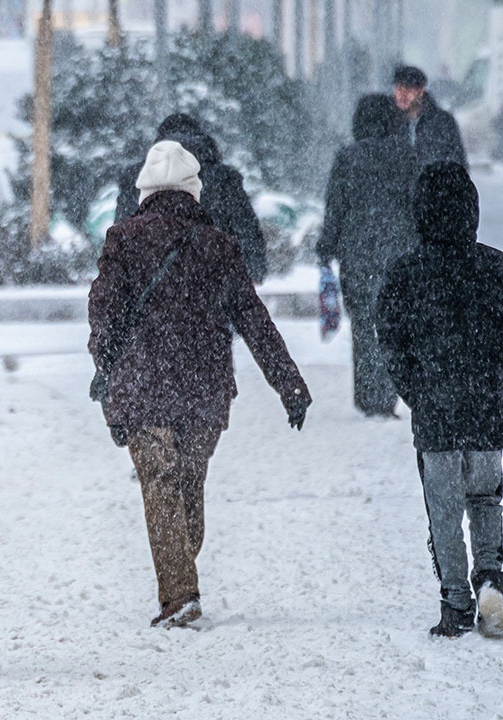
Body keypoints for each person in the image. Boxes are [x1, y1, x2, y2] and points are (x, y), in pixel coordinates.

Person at [89, 140, 311, 629]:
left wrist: (105, 365)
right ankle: (181, 589)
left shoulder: (123, 239)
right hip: (203, 390)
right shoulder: (218, 244)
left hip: (143, 387)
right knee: (186, 484)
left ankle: (179, 585)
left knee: (162, 487)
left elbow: (102, 315)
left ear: (144, 192)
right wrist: (289, 385)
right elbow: (254, 321)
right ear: (194, 192)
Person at [376, 161, 503, 639]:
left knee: (444, 509)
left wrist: (416, 391)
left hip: (436, 416)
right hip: (490, 412)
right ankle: (491, 575)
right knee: (486, 499)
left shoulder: (406, 273)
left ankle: (455, 602)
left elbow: (390, 341)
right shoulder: (496, 268)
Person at [316, 94, 420, 418]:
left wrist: (326, 247)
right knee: (393, 325)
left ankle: (368, 396)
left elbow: (336, 207)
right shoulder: (408, 157)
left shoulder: (348, 157)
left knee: (363, 326)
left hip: (358, 254)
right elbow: (419, 205)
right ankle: (389, 393)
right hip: (399, 254)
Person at [115, 113, 266, 283]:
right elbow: (246, 231)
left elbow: (121, 237)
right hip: (212, 286)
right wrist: (252, 271)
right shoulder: (223, 179)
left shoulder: (137, 179)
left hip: (151, 288)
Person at [392, 64, 468, 169]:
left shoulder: (442, 122)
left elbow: (458, 163)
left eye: (409, 89)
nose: (402, 95)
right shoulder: (387, 120)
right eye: (399, 89)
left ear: (421, 91)